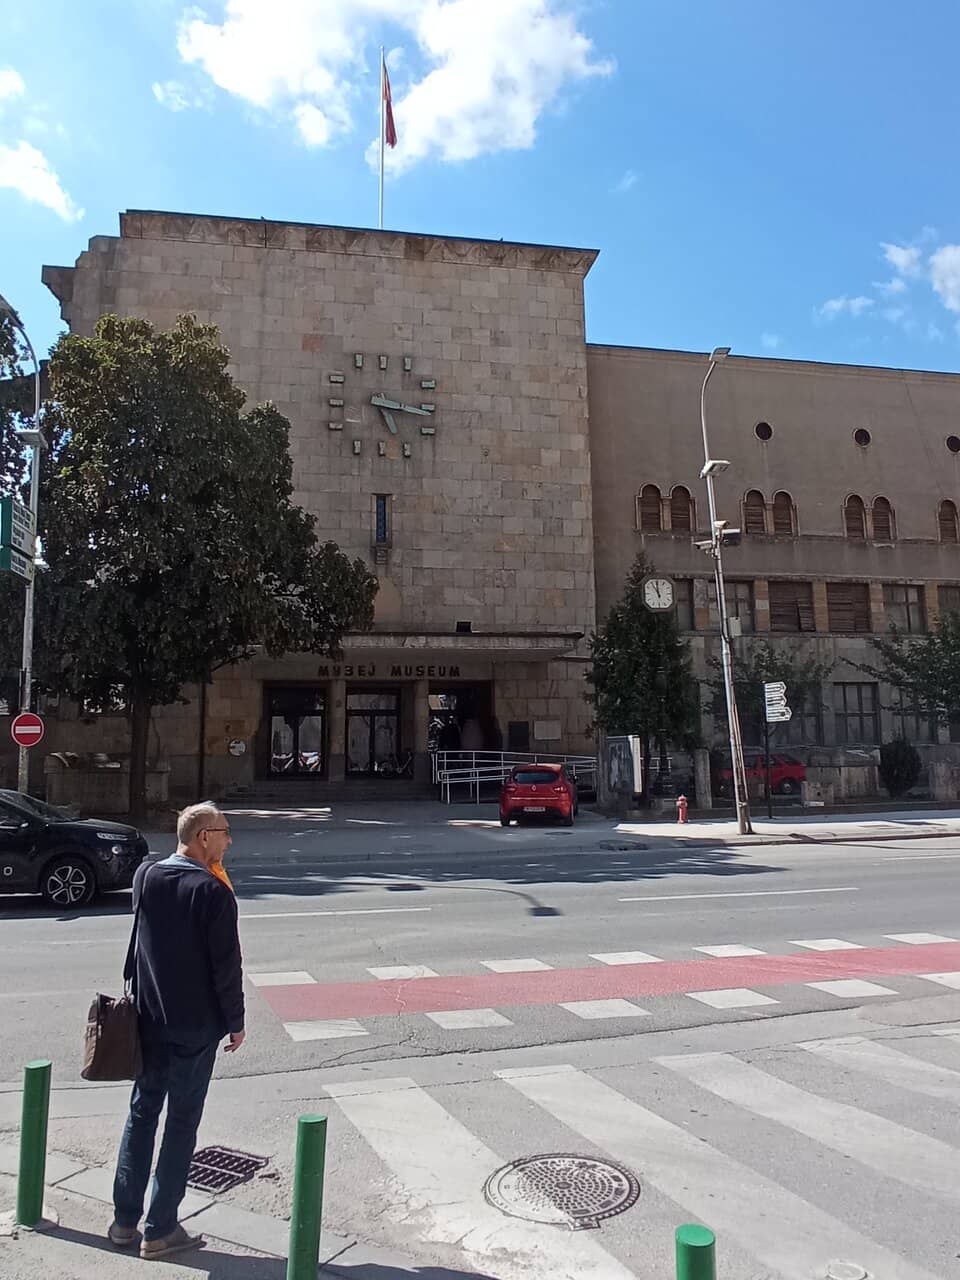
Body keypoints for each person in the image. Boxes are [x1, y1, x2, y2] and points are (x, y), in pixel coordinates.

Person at [109, 802, 245, 1261]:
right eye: (225, 832)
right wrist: (236, 1022)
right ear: (205, 836)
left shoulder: (146, 876)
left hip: (148, 1018)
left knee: (142, 1113)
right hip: (195, 1026)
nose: (230, 841)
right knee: (181, 1124)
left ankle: (124, 1221)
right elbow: (226, 967)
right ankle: (160, 1228)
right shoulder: (213, 892)